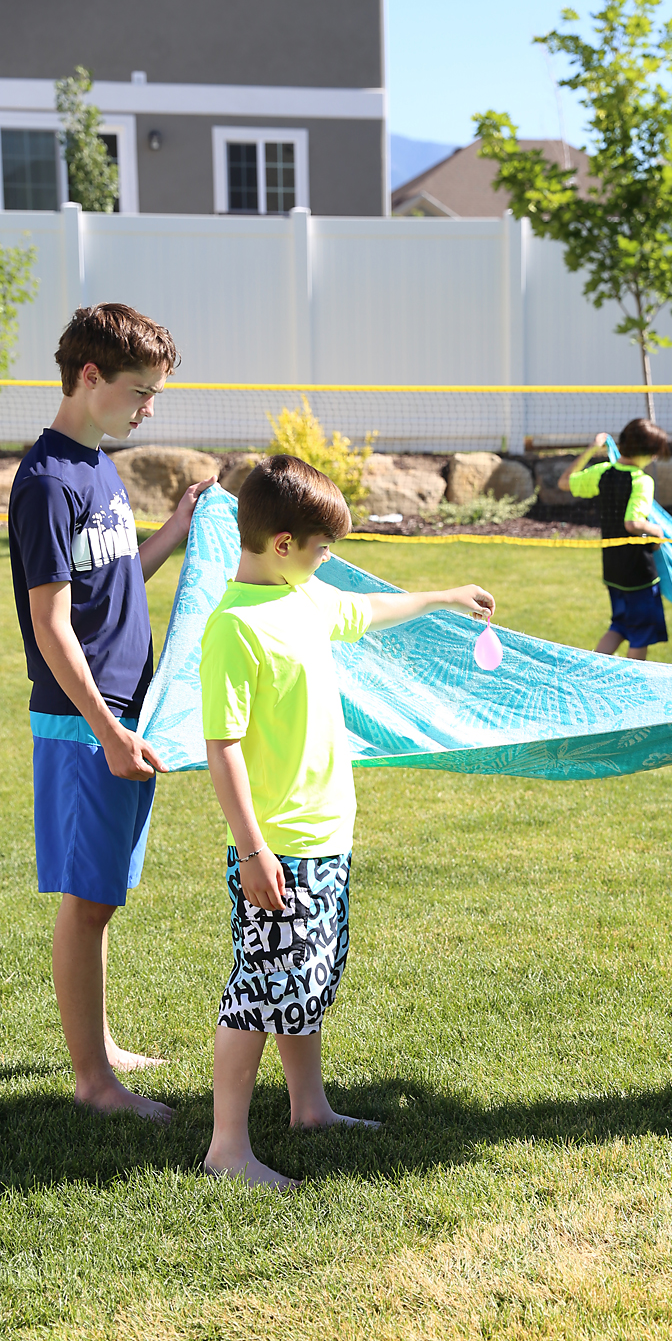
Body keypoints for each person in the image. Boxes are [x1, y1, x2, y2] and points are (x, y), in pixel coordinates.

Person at [199, 454, 494, 1188]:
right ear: (285, 544)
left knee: (307, 978)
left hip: (325, 834)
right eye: (325, 548)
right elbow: (222, 746)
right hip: (280, 845)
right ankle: (226, 1150)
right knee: (259, 989)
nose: (331, 562)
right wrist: (253, 847)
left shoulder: (303, 596)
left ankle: (309, 1107)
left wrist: (444, 596)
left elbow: (367, 612)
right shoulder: (236, 628)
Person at [7, 303, 215, 1121]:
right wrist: (107, 731)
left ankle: (100, 1046)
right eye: (140, 391)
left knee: (103, 896)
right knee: (87, 901)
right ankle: (94, 1082)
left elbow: (120, 574)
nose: (149, 408)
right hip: (87, 722)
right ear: (89, 377)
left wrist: (176, 530)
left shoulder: (98, 464)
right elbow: (52, 623)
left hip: (127, 714)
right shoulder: (48, 481)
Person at [557, 418, 669, 660]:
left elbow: (564, 482)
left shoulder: (602, 472)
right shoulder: (642, 480)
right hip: (639, 575)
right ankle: (631, 685)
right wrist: (658, 532)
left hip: (613, 570)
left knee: (619, 626)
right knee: (640, 634)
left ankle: (589, 673)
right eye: (654, 453)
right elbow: (633, 523)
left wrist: (591, 449)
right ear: (646, 453)